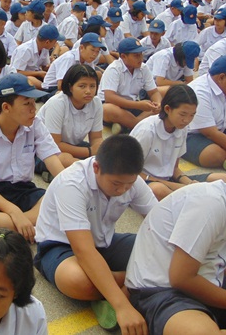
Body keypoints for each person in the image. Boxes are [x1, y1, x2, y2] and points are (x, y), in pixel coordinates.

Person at [126, 180, 226, 335]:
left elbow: (208, 258)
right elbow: (181, 278)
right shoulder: (210, 203)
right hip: (162, 291)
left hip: (206, 281)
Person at [34, 135, 157, 333]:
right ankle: (136, 282)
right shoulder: (72, 183)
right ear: (96, 168)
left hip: (104, 243)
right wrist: (122, 307)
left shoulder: (131, 182)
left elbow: (159, 222)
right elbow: (83, 250)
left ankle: (119, 286)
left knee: (160, 250)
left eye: (129, 184)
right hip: (61, 247)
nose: (123, 190)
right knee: (76, 281)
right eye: (116, 184)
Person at [0, 74, 65, 241]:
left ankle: (14, 229)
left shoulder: (35, 125)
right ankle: (33, 228)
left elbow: (53, 162)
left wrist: (69, 186)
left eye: (33, 102)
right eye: (27, 103)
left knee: (59, 202)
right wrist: (14, 212)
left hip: (23, 190)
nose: (33, 109)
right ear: (6, 107)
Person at [130, 85, 226, 201]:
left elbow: (174, 168)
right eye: (182, 114)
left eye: (192, 115)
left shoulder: (182, 129)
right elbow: (129, 172)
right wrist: (175, 186)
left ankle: (191, 197)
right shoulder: (147, 131)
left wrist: (189, 182)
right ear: (168, 109)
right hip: (142, 181)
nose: (187, 120)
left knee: (224, 178)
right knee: (159, 190)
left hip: (168, 180)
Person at [38, 64, 103, 166]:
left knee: (109, 153)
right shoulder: (57, 103)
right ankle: (87, 169)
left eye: (92, 86)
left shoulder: (96, 102)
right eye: (82, 86)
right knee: (64, 159)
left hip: (73, 145)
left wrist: (98, 150)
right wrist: (90, 152)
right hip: (45, 149)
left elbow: (96, 138)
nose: (88, 91)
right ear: (70, 87)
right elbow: (55, 144)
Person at [98, 38, 162, 133]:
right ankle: (135, 124)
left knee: (163, 105)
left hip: (132, 105)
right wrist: (138, 105)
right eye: (136, 55)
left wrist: (158, 104)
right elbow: (109, 97)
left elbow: (154, 92)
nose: (140, 58)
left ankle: (127, 125)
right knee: (107, 109)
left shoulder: (143, 68)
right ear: (123, 56)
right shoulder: (114, 69)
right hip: (113, 105)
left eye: (141, 54)